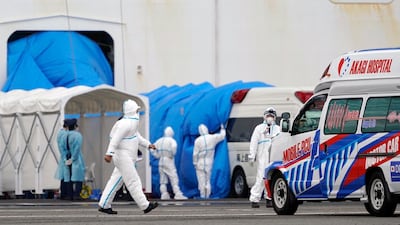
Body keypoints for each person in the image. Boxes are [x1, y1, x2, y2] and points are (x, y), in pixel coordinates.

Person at [98, 99, 158, 214]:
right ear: (132, 111)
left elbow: (138, 138)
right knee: (133, 181)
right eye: (137, 110)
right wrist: (109, 153)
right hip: (123, 156)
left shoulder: (132, 125)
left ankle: (104, 204)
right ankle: (145, 205)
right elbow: (115, 139)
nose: (138, 113)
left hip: (126, 157)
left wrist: (148, 145)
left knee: (115, 182)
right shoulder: (125, 124)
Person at [248, 107, 281, 208]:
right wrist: (251, 155)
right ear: (265, 116)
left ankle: (269, 198)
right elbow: (254, 142)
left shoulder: (278, 129)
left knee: (272, 178)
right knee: (261, 178)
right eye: (268, 116)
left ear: (275, 117)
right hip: (263, 157)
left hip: (274, 157)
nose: (270, 118)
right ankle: (255, 199)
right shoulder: (259, 128)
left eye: (272, 116)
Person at [152, 126, 187, 200]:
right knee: (173, 177)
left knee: (163, 179)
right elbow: (174, 147)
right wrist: (172, 154)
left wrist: (157, 155)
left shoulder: (159, 140)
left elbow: (152, 147)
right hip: (168, 159)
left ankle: (164, 194)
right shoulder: (171, 140)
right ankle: (177, 194)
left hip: (161, 160)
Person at [55, 118, 86, 200]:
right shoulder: (78, 135)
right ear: (75, 126)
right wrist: (73, 158)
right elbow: (77, 148)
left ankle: (69, 195)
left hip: (66, 157)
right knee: (78, 176)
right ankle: (76, 195)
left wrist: (65, 158)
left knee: (67, 176)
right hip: (76, 158)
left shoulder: (64, 135)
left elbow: (61, 148)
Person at [192, 124, 226, 199]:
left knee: (201, 180)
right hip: (209, 161)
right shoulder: (212, 138)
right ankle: (207, 196)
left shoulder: (197, 140)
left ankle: (202, 196)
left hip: (200, 163)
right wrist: (222, 128)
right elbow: (222, 136)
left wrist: (195, 163)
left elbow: (195, 154)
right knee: (208, 180)